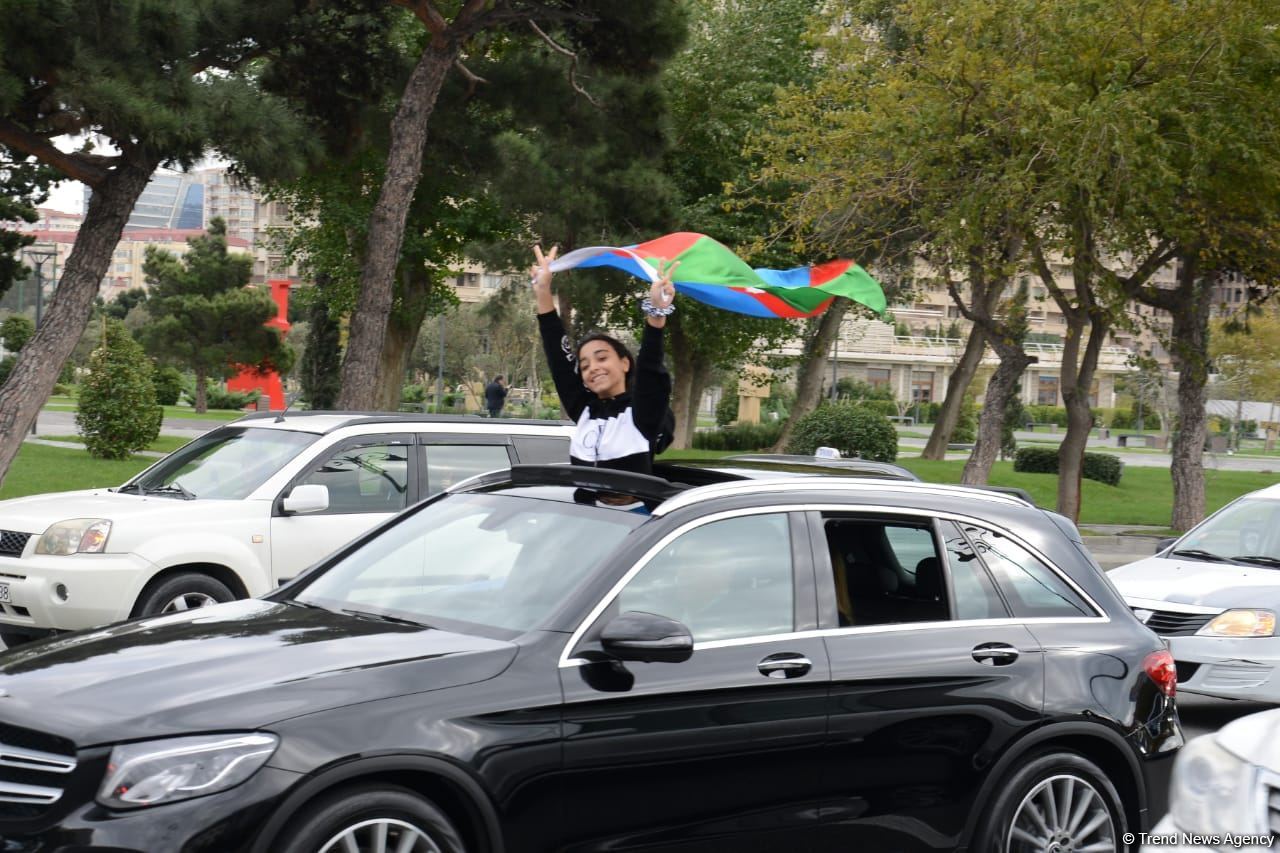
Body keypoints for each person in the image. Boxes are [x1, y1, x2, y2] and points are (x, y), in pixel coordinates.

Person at [532, 244, 677, 474]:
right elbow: (559, 360)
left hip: (633, 510)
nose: (593, 368)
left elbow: (651, 368)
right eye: (585, 365)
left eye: (602, 358)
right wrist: (543, 291)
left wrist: (656, 314)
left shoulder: (641, 413)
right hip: (585, 510)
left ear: (625, 363)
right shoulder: (585, 410)